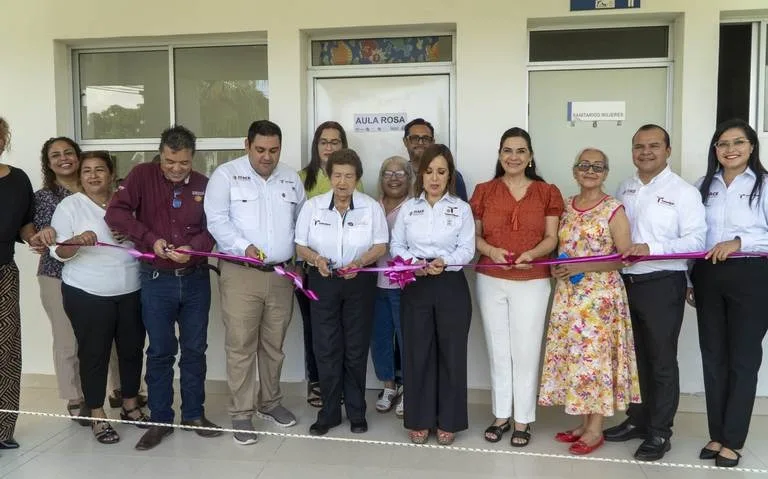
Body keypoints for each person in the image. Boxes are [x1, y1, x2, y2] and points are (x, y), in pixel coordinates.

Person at [105, 125, 222, 451]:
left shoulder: (204, 184)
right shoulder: (141, 175)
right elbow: (116, 212)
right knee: (159, 352)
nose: (176, 168)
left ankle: (194, 415)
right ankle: (160, 420)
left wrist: (193, 247)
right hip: (156, 282)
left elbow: (215, 227)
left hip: (196, 280)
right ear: (161, 154)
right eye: (170, 161)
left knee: (195, 351)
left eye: (183, 162)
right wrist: (149, 239)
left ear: (192, 158)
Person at [604, 124, 706, 461]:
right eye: (639, 146)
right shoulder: (624, 187)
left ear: (668, 150)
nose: (645, 152)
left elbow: (696, 242)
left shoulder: (684, 192)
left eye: (654, 146)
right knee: (634, 359)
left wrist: (652, 247)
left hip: (662, 282)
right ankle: (638, 420)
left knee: (661, 361)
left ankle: (660, 432)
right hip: (625, 283)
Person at [205, 120, 306, 445]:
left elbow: (301, 222)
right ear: (247, 144)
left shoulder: (291, 178)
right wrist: (242, 247)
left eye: (274, 150)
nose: (267, 157)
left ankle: (271, 403)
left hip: (281, 275)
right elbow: (216, 220)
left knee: (274, 345)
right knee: (241, 346)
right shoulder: (226, 175)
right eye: (260, 150)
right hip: (239, 274)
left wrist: (301, 262)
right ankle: (242, 413)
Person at [538, 148, 640, 455]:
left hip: (599, 300)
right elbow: (558, 246)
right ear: (574, 170)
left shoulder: (613, 208)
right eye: (584, 165)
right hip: (569, 298)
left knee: (594, 363)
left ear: (606, 173)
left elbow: (624, 259)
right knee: (577, 361)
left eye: (598, 166)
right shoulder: (565, 206)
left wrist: (582, 266)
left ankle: (595, 429)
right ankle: (584, 423)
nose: (590, 170)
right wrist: (556, 266)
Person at [470, 127, 563, 447]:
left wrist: (533, 254)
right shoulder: (484, 191)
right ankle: (500, 415)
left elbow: (552, 238)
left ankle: (522, 420)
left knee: (525, 352)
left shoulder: (547, 191)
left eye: (520, 151)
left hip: (533, 280)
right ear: (499, 155)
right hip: (490, 279)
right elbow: (475, 236)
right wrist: (492, 251)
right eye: (507, 150)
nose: (513, 157)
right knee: (498, 351)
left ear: (530, 156)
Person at [50, 151, 148, 444]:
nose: (93, 176)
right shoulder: (70, 207)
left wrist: (130, 234)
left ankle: (130, 404)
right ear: (80, 177)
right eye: (87, 171)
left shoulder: (127, 204)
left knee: (131, 350)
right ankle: (96, 413)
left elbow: (146, 238)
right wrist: (77, 241)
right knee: (94, 355)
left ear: (111, 174)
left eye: (100, 170)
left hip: (131, 288)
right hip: (87, 292)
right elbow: (58, 252)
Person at [689, 119, 768, 468]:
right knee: (714, 357)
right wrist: (691, 280)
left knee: (743, 360)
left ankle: (734, 440)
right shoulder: (703, 186)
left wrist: (740, 242)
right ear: (715, 150)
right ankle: (717, 433)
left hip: (752, 276)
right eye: (722, 144)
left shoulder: (764, 186)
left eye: (738, 142)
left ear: (752, 147)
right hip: (708, 277)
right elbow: (694, 237)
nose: (730, 149)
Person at [295, 148, 388, 436]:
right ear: (328, 175)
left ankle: (357, 412)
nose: (343, 182)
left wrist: (360, 262)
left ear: (357, 178)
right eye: (337, 175)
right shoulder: (312, 207)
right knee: (326, 347)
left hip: (358, 282)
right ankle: (330, 411)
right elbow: (300, 246)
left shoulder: (371, 207)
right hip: (323, 280)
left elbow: (381, 245)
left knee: (356, 347)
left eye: (349, 176)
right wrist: (317, 260)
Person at [391, 144, 475, 446]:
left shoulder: (461, 208)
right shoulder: (408, 209)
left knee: (451, 354)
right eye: (429, 172)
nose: (435, 178)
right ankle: (419, 419)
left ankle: (449, 421)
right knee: (418, 353)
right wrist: (416, 265)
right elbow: (396, 247)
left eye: (441, 172)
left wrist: (445, 262)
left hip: (450, 285)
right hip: (416, 285)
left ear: (449, 175)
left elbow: (467, 249)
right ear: (420, 174)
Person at [297, 121, 362, 408]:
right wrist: (301, 262)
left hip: (348, 274)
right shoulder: (302, 178)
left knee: (345, 330)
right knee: (315, 328)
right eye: (324, 142)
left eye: (335, 142)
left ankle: (343, 385)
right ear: (316, 145)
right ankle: (318, 381)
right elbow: (295, 228)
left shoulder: (352, 179)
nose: (329, 147)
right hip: (311, 268)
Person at [0, 116, 36, 450]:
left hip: (4, 274)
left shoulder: (18, 179)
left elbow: (25, 224)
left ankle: (1, 430)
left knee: (6, 351)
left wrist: (35, 237)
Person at [370, 156, 411, 416]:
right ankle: (388, 385)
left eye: (400, 173)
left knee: (407, 338)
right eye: (388, 173)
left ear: (409, 178)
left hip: (405, 285)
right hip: (373, 284)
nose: (394, 178)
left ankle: (409, 387)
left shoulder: (414, 207)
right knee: (380, 337)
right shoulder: (371, 206)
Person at [402, 118, 467, 201]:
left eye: (425, 138)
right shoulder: (398, 175)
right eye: (414, 138)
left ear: (432, 142)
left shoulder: (453, 176)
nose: (420, 143)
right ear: (405, 141)